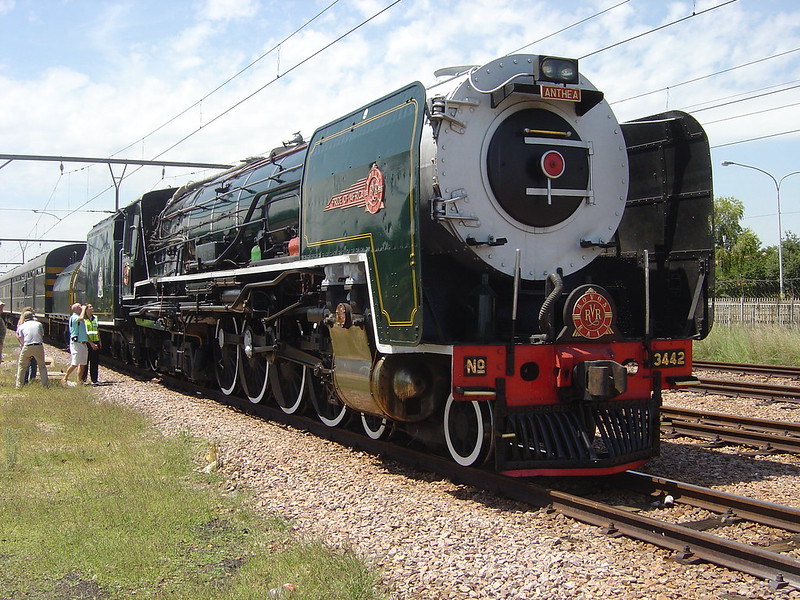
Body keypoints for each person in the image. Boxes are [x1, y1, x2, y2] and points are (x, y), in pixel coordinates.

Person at [15, 311, 49, 389]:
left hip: (27, 346)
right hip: (38, 345)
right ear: (32, 317)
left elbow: (21, 338)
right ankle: (45, 385)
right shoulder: (38, 324)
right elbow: (41, 334)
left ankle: (19, 386)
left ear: (24, 318)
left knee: (22, 366)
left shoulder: (21, 326)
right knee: (42, 366)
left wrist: (25, 347)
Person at [62, 303, 89, 386]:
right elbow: (81, 318)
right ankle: (65, 378)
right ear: (76, 309)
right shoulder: (74, 317)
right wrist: (84, 309)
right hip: (76, 343)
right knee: (75, 363)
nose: (82, 308)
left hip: (83, 342)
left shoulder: (79, 316)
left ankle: (79, 381)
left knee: (83, 363)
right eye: (80, 307)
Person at [81, 304, 101, 385]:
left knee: (94, 362)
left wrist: (99, 341)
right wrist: (91, 343)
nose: (92, 308)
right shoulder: (83, 320)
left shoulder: (95, 318)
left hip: (95, 341)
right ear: (86, 309)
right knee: (85, 362)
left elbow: (97, 330)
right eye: (90, 307)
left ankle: (94, 380)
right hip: (87, 343)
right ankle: (83, 379)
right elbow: (84, 332)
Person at [17, 306, 37, 382]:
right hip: (32, 344)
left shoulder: (20, 323)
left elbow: (18, 335)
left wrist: (22, 344)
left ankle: (25, 380)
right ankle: (32, 379)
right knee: (33, 363)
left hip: (24, 345)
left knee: (26, 363)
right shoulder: (34, 322)